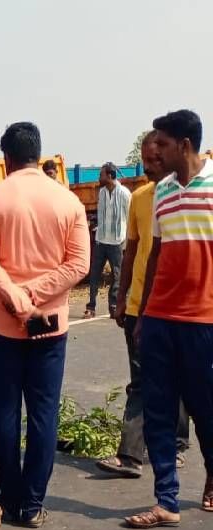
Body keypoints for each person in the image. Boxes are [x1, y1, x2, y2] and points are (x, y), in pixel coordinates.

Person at [0, 122, 90, 529]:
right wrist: (37, 294)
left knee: (3, 412)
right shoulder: (68, 202)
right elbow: (79, 264)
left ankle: (9, 498)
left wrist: (17, 298)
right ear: (39, 154)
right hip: (51, 325)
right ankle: (32, 504)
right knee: (44, 413)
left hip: (3, 324)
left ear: (6, 157)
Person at [126, 110, 213, 529]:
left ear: (185, 145)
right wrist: (142, 314)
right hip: (161, 317)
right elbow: (155, 254)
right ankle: (166, 500)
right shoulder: (160, 192)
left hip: (204, 321)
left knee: (205, 408)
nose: (153, 150)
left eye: (162, 143)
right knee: (158, 410)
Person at [99, 132, 191, 479]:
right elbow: (132, 252)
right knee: (140, 380)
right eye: (147, 160)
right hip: (139, 305)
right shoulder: (139, 198)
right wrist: (121, 298)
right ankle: (131, 454)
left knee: (177, 378)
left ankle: (177, 444)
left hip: (175, 307)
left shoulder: (185, 197)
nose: (150, 167)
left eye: (156, 160)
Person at [84, 163, 132, 319]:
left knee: (116, 276)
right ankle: (91, 306)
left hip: (117, 241)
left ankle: (113, 306)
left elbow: (131, 217)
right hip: (101, 240)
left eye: (101, 175)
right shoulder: (102, 193)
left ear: (110, 176)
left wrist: (127, 241)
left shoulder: (124, 194)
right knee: (94, 275)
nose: (99, 178)